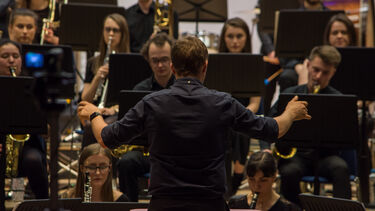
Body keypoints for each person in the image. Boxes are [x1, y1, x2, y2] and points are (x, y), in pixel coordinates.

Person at [78, 36, 310, 210]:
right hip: (210, 203)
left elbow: (106, 138)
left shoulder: (151, 103)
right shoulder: (223, 103)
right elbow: (272, 129)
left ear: (172, 68)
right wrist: (290, 112)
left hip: (164, 204)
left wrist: (94, 114)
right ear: (205, 67)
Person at [269, 45, 351, 205]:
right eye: (315, 69)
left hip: (325, 157)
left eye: (325, 72)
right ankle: (298, 208)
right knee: (288, 172)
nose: (318, 76)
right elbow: (270, 120)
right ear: (308, 65)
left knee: (340, 168)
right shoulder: (291, 94)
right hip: (297, 157)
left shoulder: (338, 99)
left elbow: (345, 137)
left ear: (333, 72)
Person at [116, 32, 175, 202]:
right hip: (147, 152)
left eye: (165, 59)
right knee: (126, 163)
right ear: (148, 60)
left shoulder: (184, 88)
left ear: (173, 59)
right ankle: (129, 208)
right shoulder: (139, 89)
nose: (160, 65)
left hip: (176, 153)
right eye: (155, 60)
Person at [218, 17, 265, 197]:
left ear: (246, 38)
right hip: (219, 114)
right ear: (224, 38)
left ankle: (236, 175)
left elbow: (255, 103)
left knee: (238, 127)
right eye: (230, 36)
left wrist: (239, 114)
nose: (235, 41)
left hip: (242, 115)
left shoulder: (254, 64)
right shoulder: (214, 61)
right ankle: (233, 176)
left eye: (239, 36)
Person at [0, 38, 49, 199]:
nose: (11, 60)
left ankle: (44, 204)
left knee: (33, 160)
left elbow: (46, 129)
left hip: (28, 144)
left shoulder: (33, 86)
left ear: (22, 59)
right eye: (5, 56)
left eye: (15, 56)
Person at [81, 13, 130, 148]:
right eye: (107, 29)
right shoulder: (93, 62)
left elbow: (131, 98)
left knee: (104, 126)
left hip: (118, 113)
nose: (111, 34)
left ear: (123, 34)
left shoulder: (130, 62)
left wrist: (113, 109)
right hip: (96, 109)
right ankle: (87, 163)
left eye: (115, 30)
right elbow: (84, 98)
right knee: (90, 125)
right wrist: (97, 77)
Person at [295, 13, 357, 85]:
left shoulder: (359, 58)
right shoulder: (317, 57)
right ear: (328, 36)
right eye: (335, 33)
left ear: (351, 36)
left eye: (344, 32)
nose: (339, 36)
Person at [229, 151, 301, 211]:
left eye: (263, 180)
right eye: (252, 179)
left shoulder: (289, 209)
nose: (256, 186)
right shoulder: (235, 204)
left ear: (274, 176)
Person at [62, 143, 128, 202]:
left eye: (103, 167)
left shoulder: (120, 200)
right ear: (82, 168)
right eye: (91, 167)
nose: (98, 173)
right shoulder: (66, 199)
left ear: (109, 168)